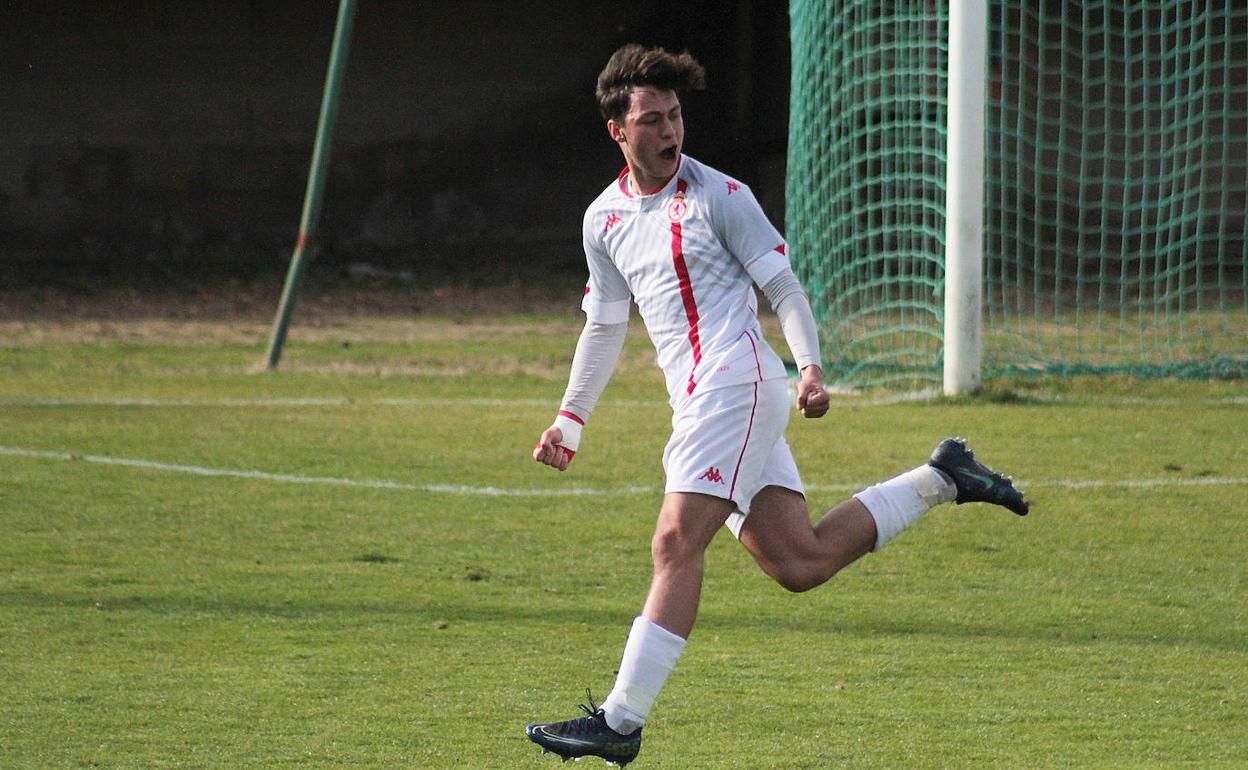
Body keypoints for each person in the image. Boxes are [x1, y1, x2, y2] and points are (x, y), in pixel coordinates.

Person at [525, 44, 1028, 767]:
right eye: (653, 119)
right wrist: (570, 419)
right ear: (618, 131)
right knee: (800, 561)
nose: (670, 131)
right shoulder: (601, 220)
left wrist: (813, 367)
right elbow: (604, 324)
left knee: (674, 542)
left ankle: (620, 720)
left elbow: (783, 288)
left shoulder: (721, 197)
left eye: (676, 115)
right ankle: (944, 477)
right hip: (698, 402)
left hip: (738, 385)